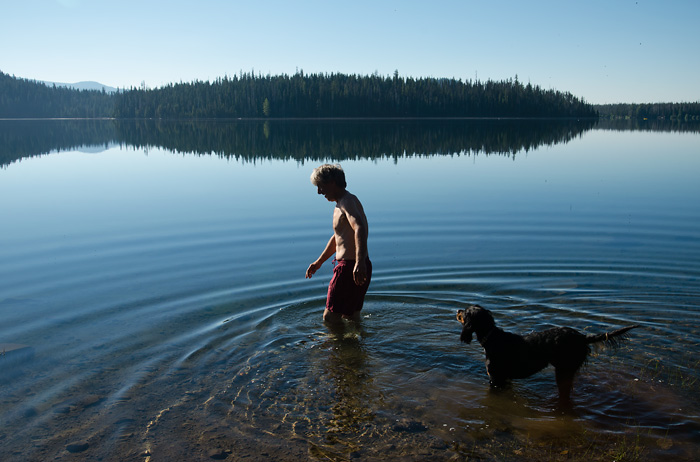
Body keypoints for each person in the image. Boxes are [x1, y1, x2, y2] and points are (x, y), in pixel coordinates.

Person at [305, 164, 372, 324]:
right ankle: (357, 340)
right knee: (351, 316)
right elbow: (337, 238)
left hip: (350, 268)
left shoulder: (347, 202)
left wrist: (359, 262)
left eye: (321, 186)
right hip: (359, 265)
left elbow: (359, 227)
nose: (319, 191)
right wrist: (319, 262)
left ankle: (336, 341)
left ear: (332, 183)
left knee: (329, 318)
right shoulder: (344, 202)